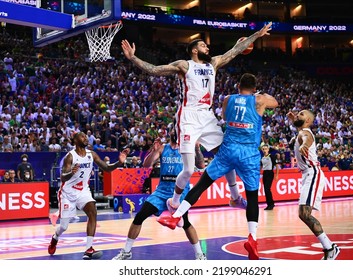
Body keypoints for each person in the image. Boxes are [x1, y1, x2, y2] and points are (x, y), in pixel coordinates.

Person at [121, 22, 272, 211]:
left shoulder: (213, 64)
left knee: (227, 155)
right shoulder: (184, 65)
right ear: (193, 50)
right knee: (189, 169)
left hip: (207, 116)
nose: (207, 47)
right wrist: (133, 58)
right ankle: (174, 202)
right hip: (188, 117)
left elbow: (235, 51)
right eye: (203, 45)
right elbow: (154, 70)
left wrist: (257, 35)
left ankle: (235, 198)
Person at [157, 73, 278, 260]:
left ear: (238, 85)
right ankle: (252, 237)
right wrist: (257, 94)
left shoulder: (228, 99)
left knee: (202, 184)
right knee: (252, 197)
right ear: (254, 89)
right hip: (249, 154)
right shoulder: (259, 100)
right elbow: (275, 103)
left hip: (228, 149)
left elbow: (223, 115)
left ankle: (176, 215)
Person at [112, 132, 207, 260]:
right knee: (140, 216)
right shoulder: (163, 148)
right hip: (162, 190)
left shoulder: (187, 147)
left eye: (177, 129)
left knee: (185, 222)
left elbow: (201, 165)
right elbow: (146, 165)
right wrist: (153, 152)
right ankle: (126, 252)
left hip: (179, 190)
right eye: (174, 130)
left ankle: (200, 255)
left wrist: (196, 148)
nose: (175, 132)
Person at [48, 132, 129, 260]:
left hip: (83, 191)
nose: (85, 138)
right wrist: (71, 173)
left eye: (86, 137)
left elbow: (107, 168)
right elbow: (63, 177)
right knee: (64, 226)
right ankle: (55, 237)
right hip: (67, 193)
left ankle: (88, 249)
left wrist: (119, 162)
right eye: (82, 136)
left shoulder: (92, 154)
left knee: (93, 211)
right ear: (75, 140)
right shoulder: (71, 156)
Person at [286, 109, 340, 260]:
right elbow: (301, 132)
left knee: (304, 214)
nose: (297, 115)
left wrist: (304, 145)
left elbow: (306, 137)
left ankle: (330, 248)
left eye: (301, 114)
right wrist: (294, 122)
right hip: (307, 174)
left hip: (312, 173)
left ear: (308, 121)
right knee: (303, 214)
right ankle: (330, 247)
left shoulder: (307, 133)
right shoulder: (301, 130)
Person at [260, 145, 279, 210]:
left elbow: (276, 166)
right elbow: (261, 166)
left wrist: (276, 175)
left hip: (270, 173)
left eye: (265, 149)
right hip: (264, 173)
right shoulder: (262, 158)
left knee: (267, 189)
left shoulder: (271, 157)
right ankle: (269, 204)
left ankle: (271, 204)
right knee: (266, 189)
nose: (264, 150)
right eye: (263, 149)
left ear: (268, 149)